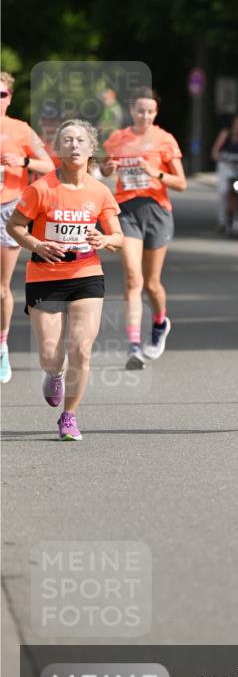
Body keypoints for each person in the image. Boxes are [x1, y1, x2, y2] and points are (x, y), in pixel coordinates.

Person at [7, 119, 123, 440]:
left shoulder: (99, 191)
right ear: (57, 149)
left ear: (91, 149)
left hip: (86, 274)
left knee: (81, 349)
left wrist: (105, 240)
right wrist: (37, 244)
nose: (74, 145)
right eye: (67, 140)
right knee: (50, 353)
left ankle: (69, 417)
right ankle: (53, 372)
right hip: (44, 276)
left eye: (80, 140)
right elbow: (15, 226)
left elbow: (119, 237)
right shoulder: (41, 188)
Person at [100, 87, 186, 369]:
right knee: (132, 279)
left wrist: (157, 173)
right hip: (127, 212)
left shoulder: (164, 139)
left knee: (151, 283)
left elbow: (181, 183)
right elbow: (105, 169)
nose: (145, 115)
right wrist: (110, 168)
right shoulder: (118, 139)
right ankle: (134, 346)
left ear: (156, 112)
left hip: (157, 212)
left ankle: (160, 322)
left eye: (150, 111)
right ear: (131, 111)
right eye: (140, 110)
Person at [0, 72, 55, 383]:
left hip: (8, 207)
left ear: (10, 98)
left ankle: (2, 347)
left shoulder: (19, 129)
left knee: (2, 287)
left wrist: (22, 162)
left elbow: (48, 164)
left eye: (2, 95)